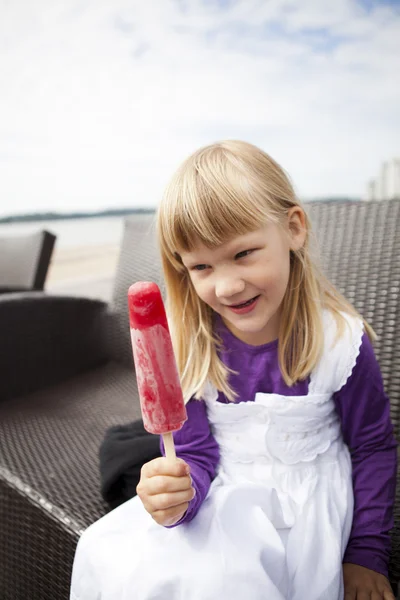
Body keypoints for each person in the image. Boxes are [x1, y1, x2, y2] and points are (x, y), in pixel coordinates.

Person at [70, 140, 397, 600]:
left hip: (312, 511)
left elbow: (373, 446)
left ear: (294, 229)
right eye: (201, 266)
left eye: (243, 253)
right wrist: (178, 499)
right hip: (226, 499)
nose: (227, 286)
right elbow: (197, 457)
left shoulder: (340, 342)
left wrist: (365, 552)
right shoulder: (189, 352)